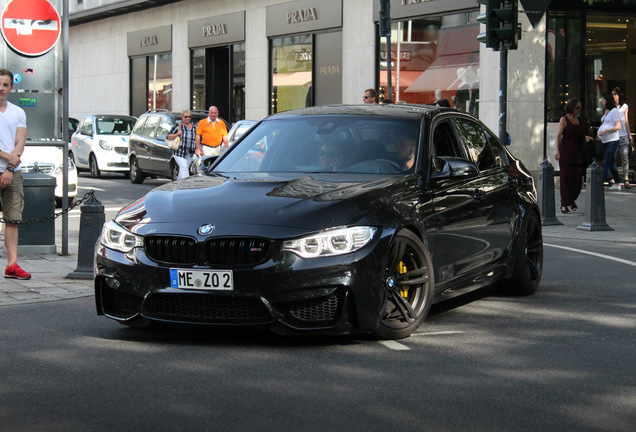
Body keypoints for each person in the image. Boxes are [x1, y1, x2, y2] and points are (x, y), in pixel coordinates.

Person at [0, 68, 31, 280]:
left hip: (13, 173)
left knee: (12, 220)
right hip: (8, 164)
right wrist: (6, 156)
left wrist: (10, 168)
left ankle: (12, 265)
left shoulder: (18, 112)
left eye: (5, 85)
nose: (1, 89)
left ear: (11, 88)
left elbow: (20, 142)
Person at [554, 98, 592, 214]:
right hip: (566, 152)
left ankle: (571, 198)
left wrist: (587, 138)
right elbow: (558, 135)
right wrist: (557, 150)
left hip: (577, 153)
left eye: (580, 108)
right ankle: (564, 204)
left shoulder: (579, 121)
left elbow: (581, 135)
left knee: (577, 181)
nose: (578, 110)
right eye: (577, 108)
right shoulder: (564, 119)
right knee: (565, 179)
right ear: (571, 108)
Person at [598, 92, 622, 190]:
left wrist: (606, 131)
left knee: (606, 160)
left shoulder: (614, 111)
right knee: (611, 161)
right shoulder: (606, 111)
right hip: (606, 140)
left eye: (603, 99)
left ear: (607, 100)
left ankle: (600, 181)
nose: (602, 101)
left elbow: (618, 126)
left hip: (613, 139)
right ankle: (617, 183)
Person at [166, 109, 197, 180]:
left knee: (183, 169)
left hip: (189, 153)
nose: (188, 118)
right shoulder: (178, 126)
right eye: (186, 117)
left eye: (189, 117)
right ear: (182, 117)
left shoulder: (194, 127)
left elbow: (198, 139)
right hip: (179, 152)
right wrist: (177, 134)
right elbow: (168, 137)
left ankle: (178, 186)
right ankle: (185, 186)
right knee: (184, 166)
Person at [612, 87, 632, 189]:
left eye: (615, 94)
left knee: (625, 157)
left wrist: (629, 134)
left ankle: (626, 178)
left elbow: (626, 121)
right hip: (613, 135)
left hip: (623, 134)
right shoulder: (610, 107)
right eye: (613, 94)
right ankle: (613, 177)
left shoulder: (624, 107)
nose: (614, 96)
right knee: (613, 157)